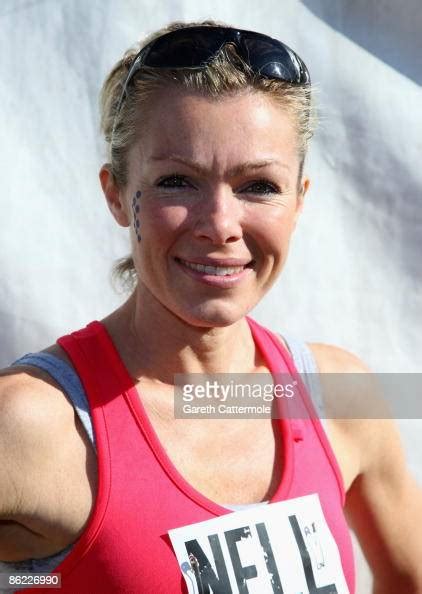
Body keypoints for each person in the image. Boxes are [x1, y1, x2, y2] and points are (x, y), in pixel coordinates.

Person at [0, 19, 421, 594]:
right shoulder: (31, 422)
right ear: (118, 195)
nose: (220, 225)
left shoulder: (340, 393)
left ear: (299, 202)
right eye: (177, 181)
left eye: (258, 186)